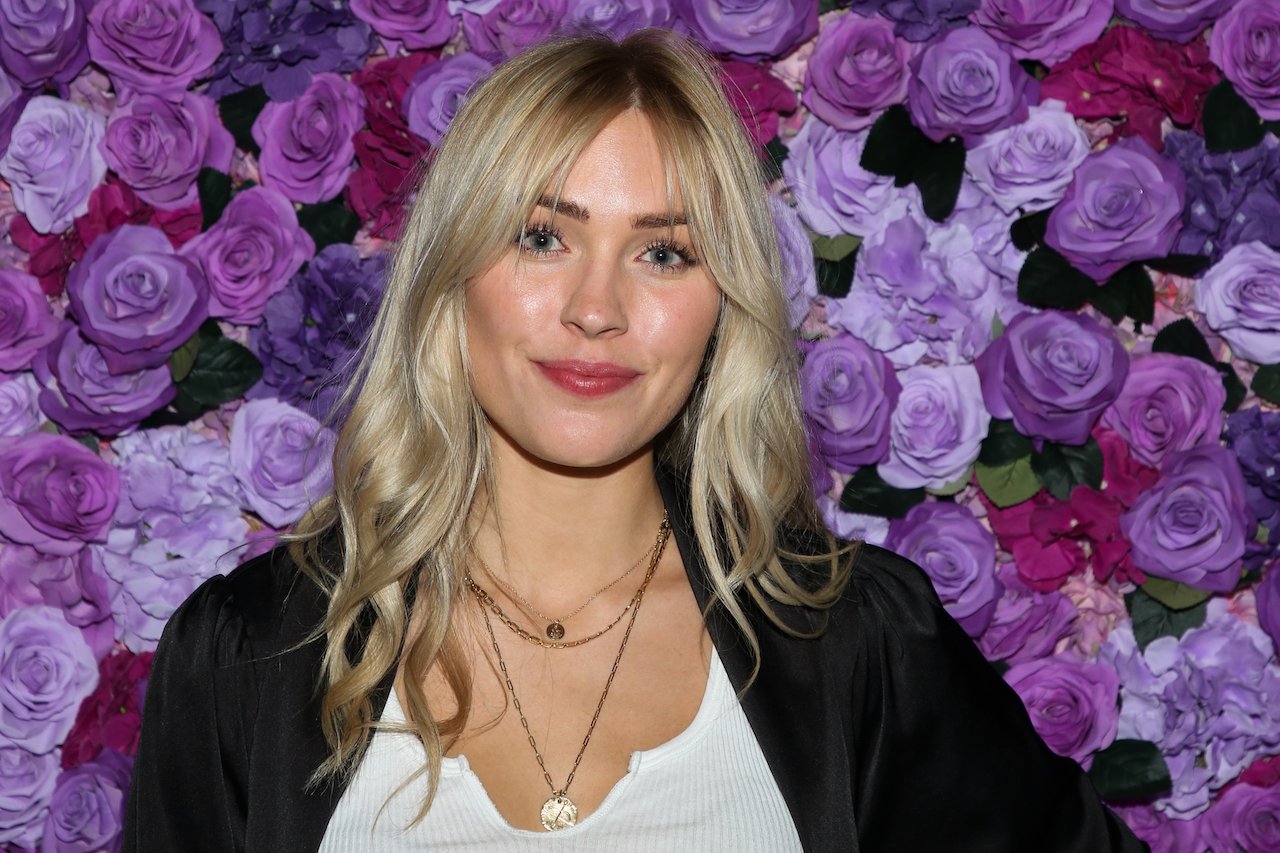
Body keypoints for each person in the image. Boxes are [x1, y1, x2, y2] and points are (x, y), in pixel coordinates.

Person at [124, 29, 1147, 853]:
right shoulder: (245, 657)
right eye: (541, 235)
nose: (596, 307)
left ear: (721, 309)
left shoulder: (856, 644)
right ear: (449, 277)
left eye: (662, 252)